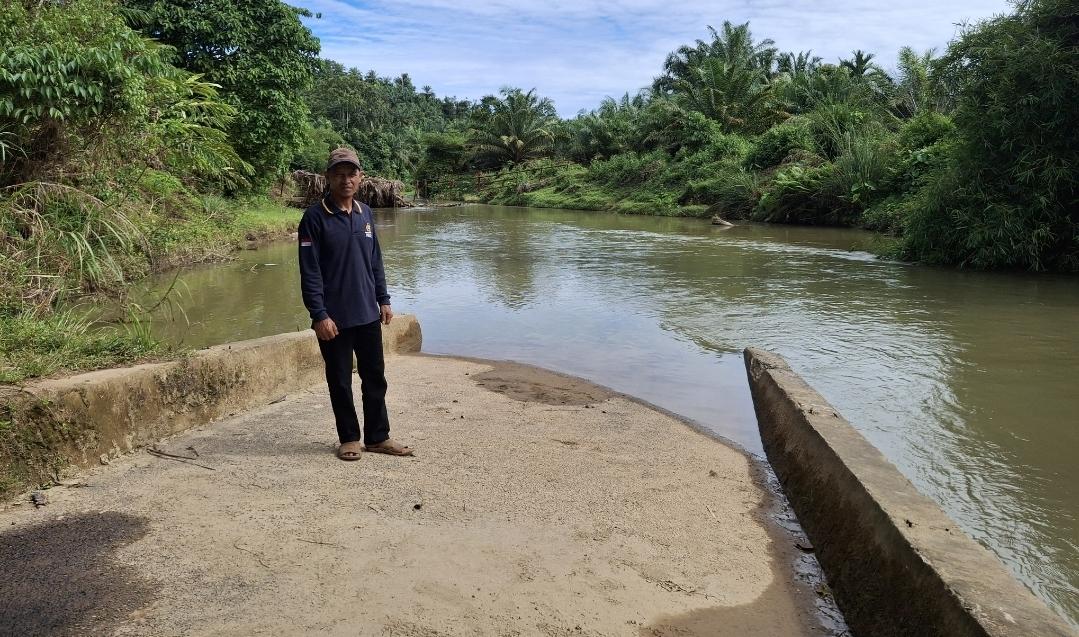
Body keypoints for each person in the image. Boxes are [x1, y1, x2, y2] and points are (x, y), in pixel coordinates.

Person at [298, 148, 413, 460]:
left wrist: (384, 299)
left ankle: (378, 436)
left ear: (360, 178)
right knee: (340, 381)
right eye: (339, 173)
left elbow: (375, 259)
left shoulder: (365, 213)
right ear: (329, 177)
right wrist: (319, 314)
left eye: (351, 173)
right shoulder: (314, 218)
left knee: (375, 377)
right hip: (333, 319)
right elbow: (309, 271)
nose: (345, 179)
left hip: (366, 314)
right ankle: (349, 437)